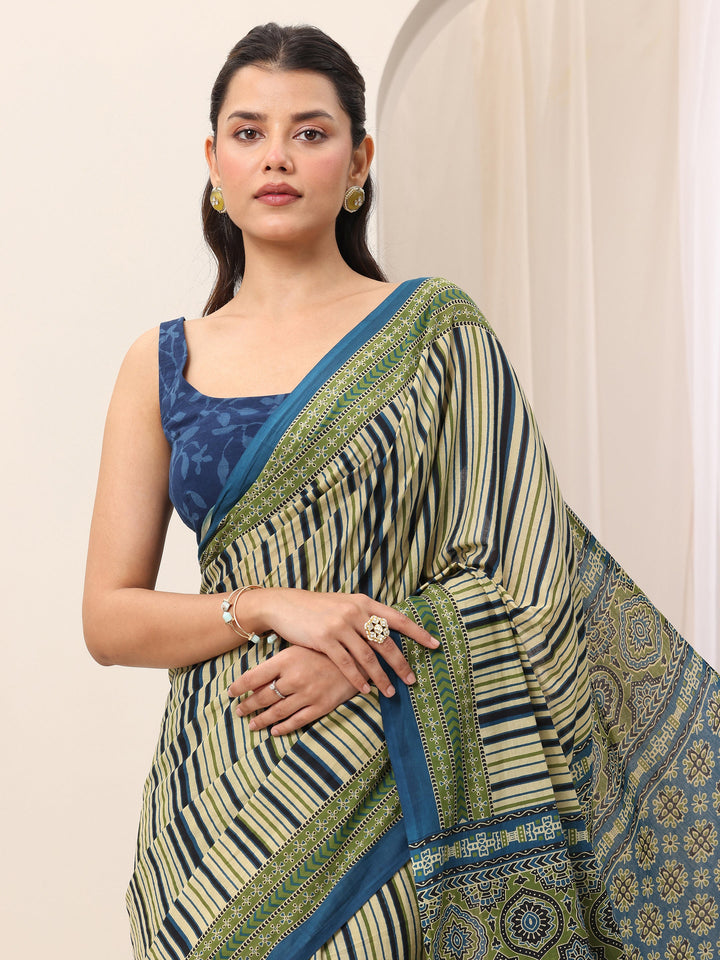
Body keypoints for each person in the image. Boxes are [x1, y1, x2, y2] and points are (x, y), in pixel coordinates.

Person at [83, 22, 720, 960]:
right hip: (213, 808)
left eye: (310, 132)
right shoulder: (162, 361)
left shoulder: (434, 331)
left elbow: (528, 568)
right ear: (214, 161)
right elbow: (108, 619)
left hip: (397, 785)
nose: (277, 157)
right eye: (250, 132)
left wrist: (361, 651)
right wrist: (266, 605)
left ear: (359, 161)